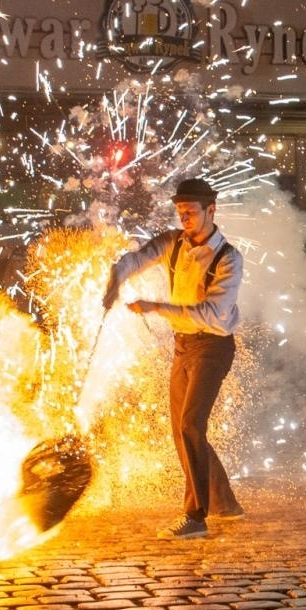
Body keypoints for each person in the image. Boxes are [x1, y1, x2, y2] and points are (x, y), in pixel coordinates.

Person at [103, 177, 245, 539]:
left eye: (190, 211)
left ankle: (195, 516)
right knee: (182, 430)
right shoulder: (173, 243)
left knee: (190, 426)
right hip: (184, 346)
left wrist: (155, 307)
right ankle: (224, 503)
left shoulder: (228, 258)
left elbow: (212, 314)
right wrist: (115, 280)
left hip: (213, 347)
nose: (183, 217)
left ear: (210, 211)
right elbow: (136, 259)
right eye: (179, 211)